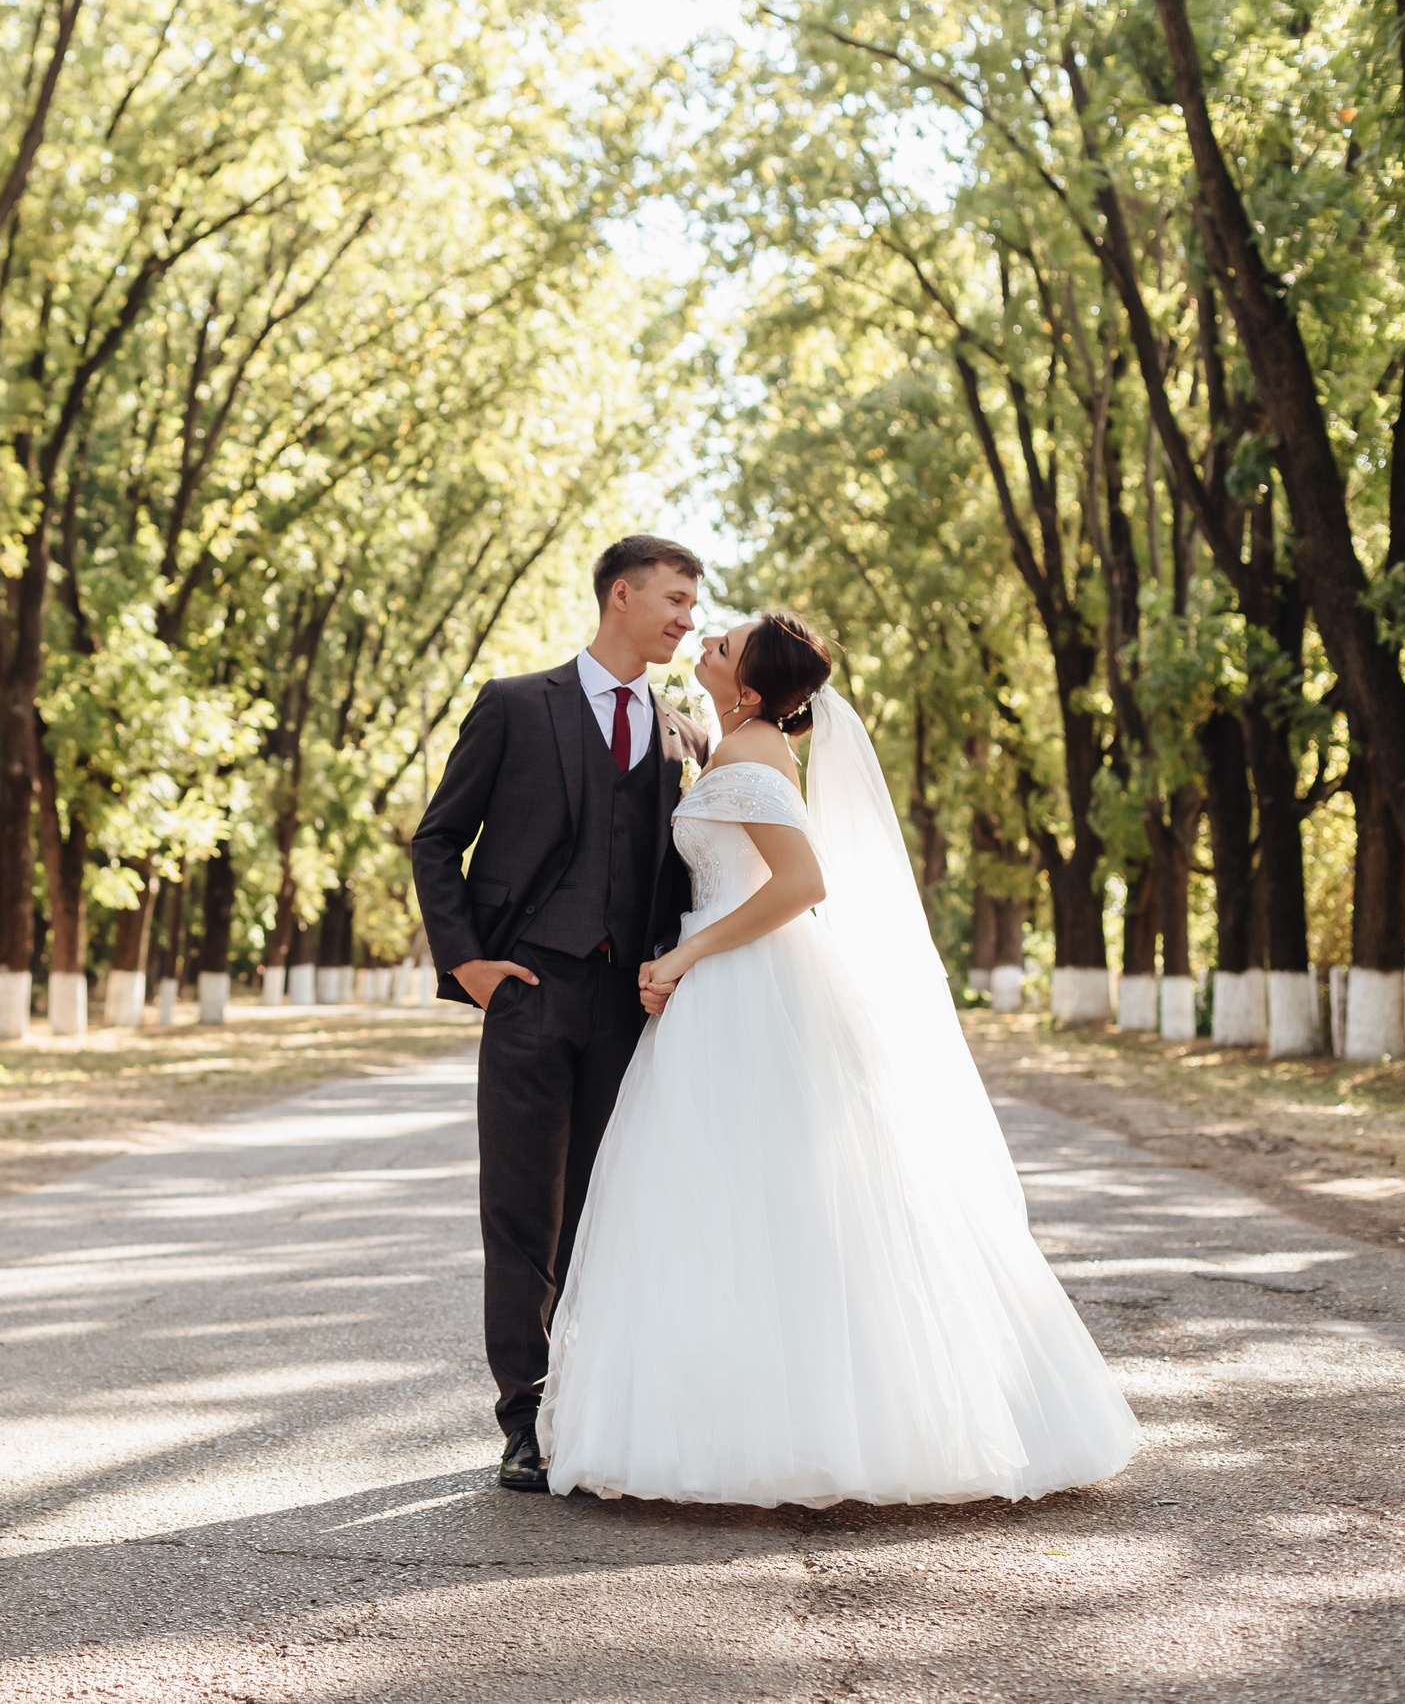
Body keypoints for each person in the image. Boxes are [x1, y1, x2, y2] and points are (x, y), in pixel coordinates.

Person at [535, 611, 1138, 1506]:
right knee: (722, 1201)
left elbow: (803, 884)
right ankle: (726, 1415)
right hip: (718, 981)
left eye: (725, 642)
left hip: (749, 983)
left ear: (747, 687)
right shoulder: (733, 744)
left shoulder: (751, 755)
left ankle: (803, 1428)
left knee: (766, 1198)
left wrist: (684, 956)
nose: (707, 639)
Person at [410, 534, 714, 1491]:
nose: (685, 619)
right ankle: (522, 1419)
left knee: (608, 1210)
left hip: (631, 1010)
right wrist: (470, 966)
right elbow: (437, 840)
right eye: (672, 598)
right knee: (521, 1213)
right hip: (530, 996)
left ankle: (590, 1406)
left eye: (693, 605)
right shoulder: (512, 706)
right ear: (618, 595)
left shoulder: (686, 737)